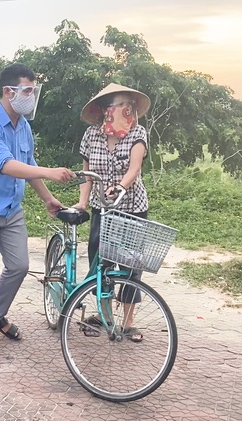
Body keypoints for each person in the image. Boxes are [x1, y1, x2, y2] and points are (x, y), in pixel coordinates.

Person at [0, 63, 75, 358]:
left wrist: (48, 198)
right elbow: (6, 165)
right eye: (27, 90)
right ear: (8, 91)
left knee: (20, 266)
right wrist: (50, 172)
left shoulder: (24, 127)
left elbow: (28, 167)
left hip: (11, 209)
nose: (31, 96)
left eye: (33, 90)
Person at [74, 83, 152, 342]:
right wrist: (82, 203)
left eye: (126, 105)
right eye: (117, 104)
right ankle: (106, 316)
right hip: (102, 210)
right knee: (102, 264)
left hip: (131, 208)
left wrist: (119, 187)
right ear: (105, 109)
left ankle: (129, 321)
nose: (123, 109)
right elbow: (86, 175)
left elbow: (134, 168)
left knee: (131, 266)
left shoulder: (137, 133)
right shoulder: (91, 135)